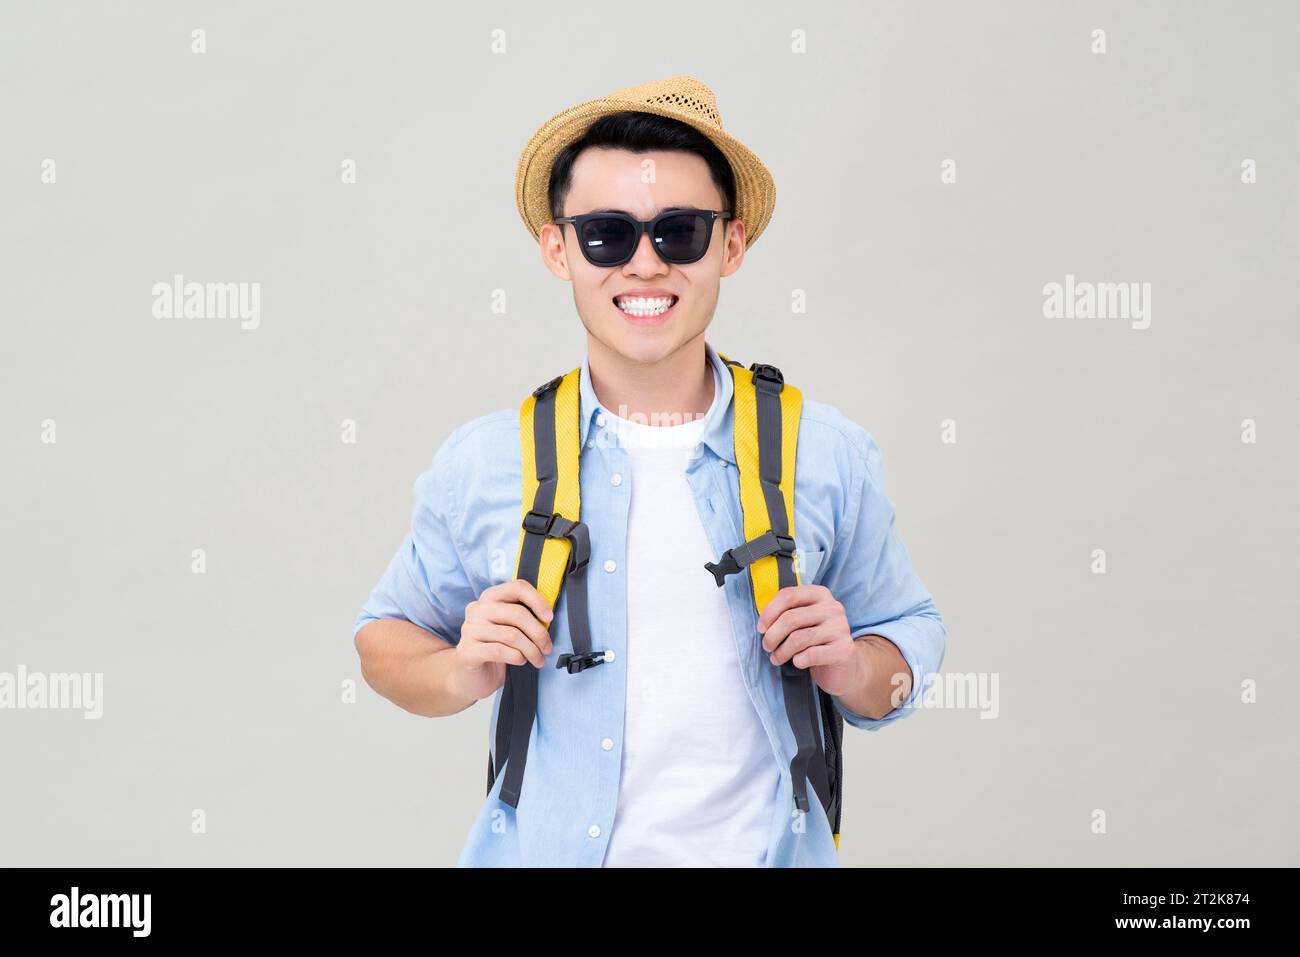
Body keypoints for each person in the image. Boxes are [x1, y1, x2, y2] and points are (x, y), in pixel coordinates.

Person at [353, 76, 946, 867]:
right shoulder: (487, 460)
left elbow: (908, 637)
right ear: (556, 248)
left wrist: (853, 666)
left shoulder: (825, 452)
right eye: (606, 233)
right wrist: (462, 668)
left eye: (679, 232)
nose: (644, 264)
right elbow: (382, 641)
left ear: (730, 245)